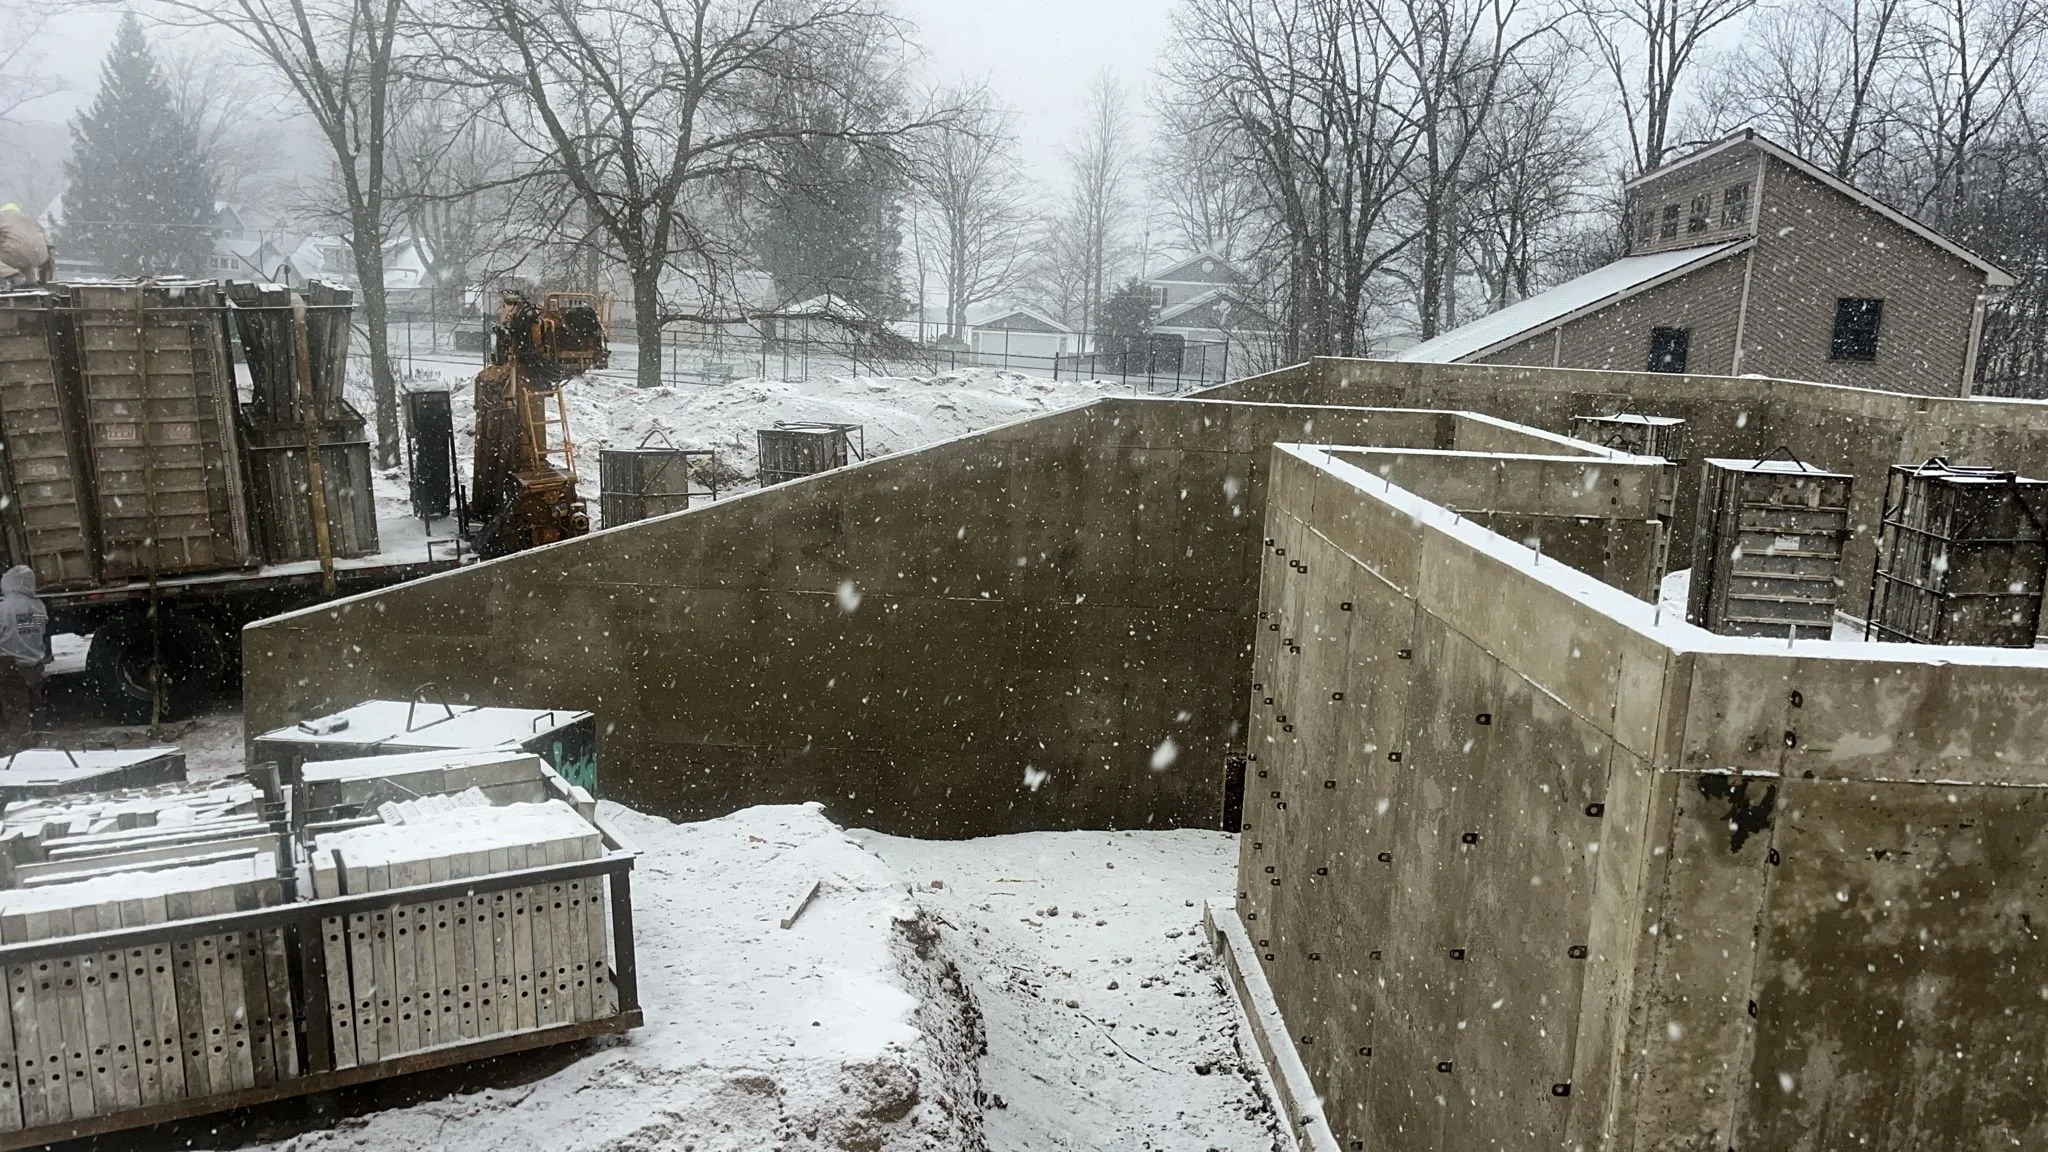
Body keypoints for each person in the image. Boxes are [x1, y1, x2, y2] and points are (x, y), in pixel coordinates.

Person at [0, 565, 49, 752]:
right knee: (36, 704)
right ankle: (38, 738)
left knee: (16, 707)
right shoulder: (38, 606)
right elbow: (39, 631)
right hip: (34, 663)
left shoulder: (4, 608)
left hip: (10, 664)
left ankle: (20, 746)